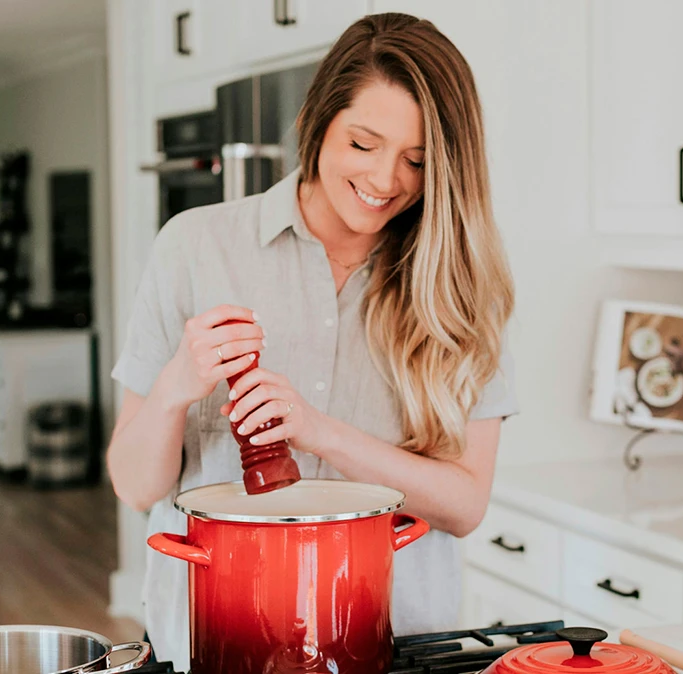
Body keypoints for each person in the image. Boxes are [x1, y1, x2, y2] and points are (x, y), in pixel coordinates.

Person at [106, 12, 517, 670]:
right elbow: (132, 483)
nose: (387, 179)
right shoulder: (195, 245)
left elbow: (465, 505)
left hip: (394, 648)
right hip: (216, 643)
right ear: (318, 122)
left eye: (417, 160)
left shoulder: (459, 287)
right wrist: (174, 388)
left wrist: (317, 431)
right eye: (363, 143)